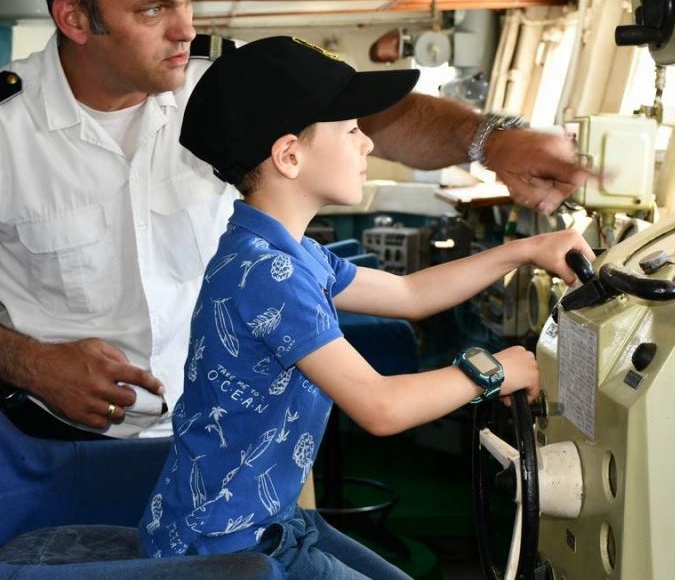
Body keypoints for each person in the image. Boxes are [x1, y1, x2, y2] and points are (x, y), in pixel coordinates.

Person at [0, 0, 590, 440]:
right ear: (74, 18)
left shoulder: (221, 84)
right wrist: (33, 365)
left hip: (220, 429)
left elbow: (380, 125)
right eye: (153, 10)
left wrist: (494, 144)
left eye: (188, 2)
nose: (185, 30)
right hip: (55, 436)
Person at [138, 35, 595, 575]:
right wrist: (497, 369)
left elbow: (410, 294)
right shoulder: (269, 273)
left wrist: (528, 249)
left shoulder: (282, 250)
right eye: (352, 129)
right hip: (226, 546)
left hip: (264, 522)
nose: (368, 144)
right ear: (289, 156)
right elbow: (381, 408)